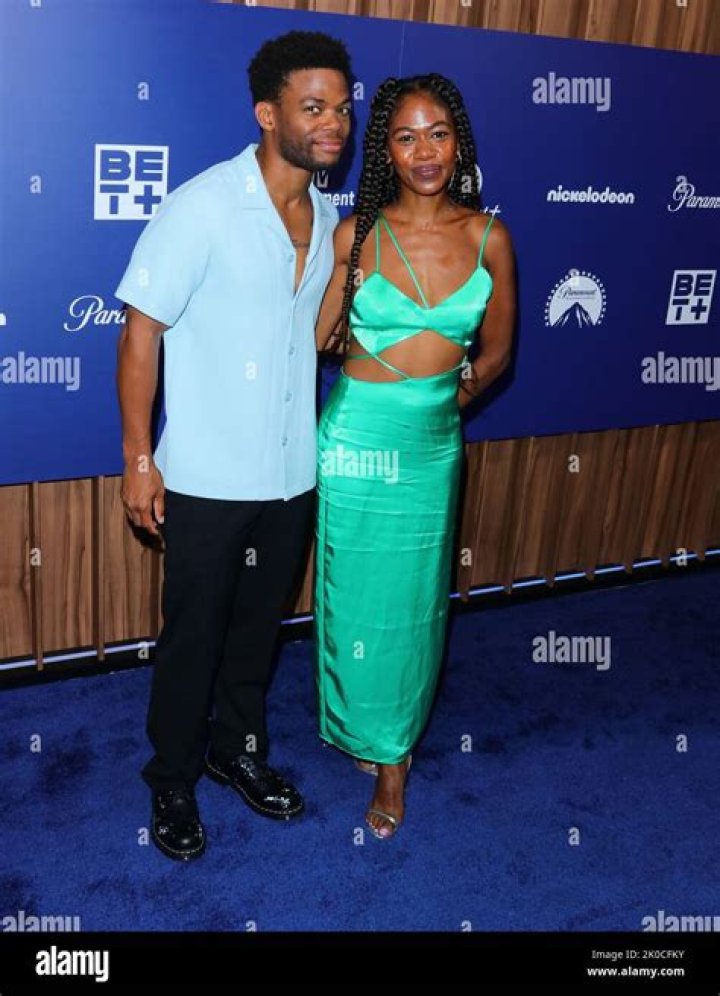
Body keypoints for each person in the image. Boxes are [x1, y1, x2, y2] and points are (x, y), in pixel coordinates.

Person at [115, 31, 353, 861]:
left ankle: (236, 752)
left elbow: (312, 337)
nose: (334, 121)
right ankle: (172, 778)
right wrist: (139, 457)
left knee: (257, 633)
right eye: (313, 106)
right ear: (267, 113)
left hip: (290, 472)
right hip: (207, 476)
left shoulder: (329, 216)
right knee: (194, 636)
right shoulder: (203, 205)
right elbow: (140, 332)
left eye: (342, 106)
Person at [314, 73, 516, 839]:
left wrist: (436, 405)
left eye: (437, 133)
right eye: (405, 137)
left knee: (414, 604)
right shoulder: (353, 236)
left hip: (430, 448)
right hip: (355, 440)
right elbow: (315, 342)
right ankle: (358, 728)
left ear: (458, 142)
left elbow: (496, 355)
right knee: (353, 597)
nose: (424, 150)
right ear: (385, 152)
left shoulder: (490, 237)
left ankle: (393, 755)